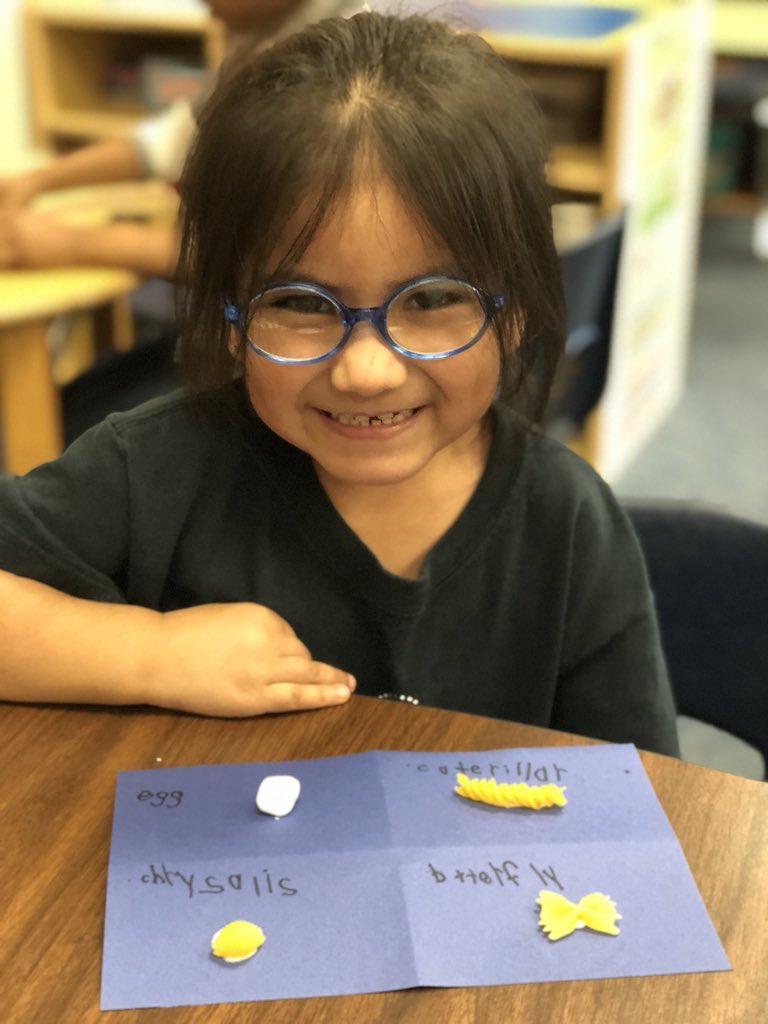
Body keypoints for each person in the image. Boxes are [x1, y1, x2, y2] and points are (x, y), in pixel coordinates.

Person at [0, 11, 680, 756]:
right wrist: (146, 652)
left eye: (430, 299)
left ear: (512, 312)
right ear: (229, 316)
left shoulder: (568, 523)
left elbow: (644, 794)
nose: (366, 371)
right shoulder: (154, 471)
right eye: (299, 303)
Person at [0, 0, 362, 277]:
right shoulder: (263, 40)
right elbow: (172, 142)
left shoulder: (339, 73)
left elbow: (267, 259)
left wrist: (74, 245)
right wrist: (34, 181)